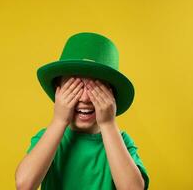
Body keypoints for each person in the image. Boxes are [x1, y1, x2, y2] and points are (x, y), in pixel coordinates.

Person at [15, 32, 150, 190]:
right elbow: (24, 185)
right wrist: (59, 120)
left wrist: (108, 124)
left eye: (96, 89)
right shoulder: (48, 138)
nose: (85, 98)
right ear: (58, 93)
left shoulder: (122, 143)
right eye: (75, 87)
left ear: (112, 97)